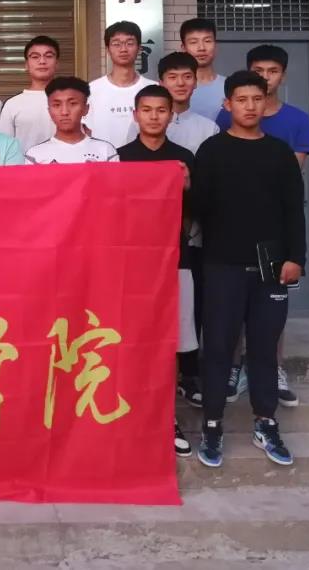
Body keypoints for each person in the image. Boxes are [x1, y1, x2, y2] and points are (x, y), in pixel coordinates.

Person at [191, 70, 306, 470]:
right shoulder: (211, 151)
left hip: (270, 267)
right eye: (241, 100)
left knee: (263, 348)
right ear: (228, 105)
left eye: (257, 99)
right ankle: (212, 425)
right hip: (221, 264)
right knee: (218, 347)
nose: (250, 106)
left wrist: (296, 258)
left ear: (265, 102)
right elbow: (197, 208)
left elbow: (294, 211)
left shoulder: (279, 152)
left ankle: (266, 423)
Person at [215, 44, 309, 408]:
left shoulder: (297, 120)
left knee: (271, 310)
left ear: (283, 76)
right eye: (258, 70)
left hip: (274, 228)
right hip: (233, 230)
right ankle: (234, 368)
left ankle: (274, 370)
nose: (265, 77)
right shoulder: (225, 118)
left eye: (272, 71)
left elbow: (291, 175)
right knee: (232, 309)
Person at [117, 85, 198, 460]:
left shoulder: (183, 159)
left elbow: (203, 211)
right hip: (129, 265)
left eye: (161, 110)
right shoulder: (119, 158)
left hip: (175, 260)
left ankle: (168, 418)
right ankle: (130, 415)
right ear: (135, 114)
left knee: (172, 343)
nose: (153, 116)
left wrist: (187, 187)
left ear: (171, 114)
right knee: (130, 342)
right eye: (146, 110)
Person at [151, 51, 219, 409]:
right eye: (172, 77)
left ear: (196, 80)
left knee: (191, 306)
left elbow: (210, 184)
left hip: (193, 232)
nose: (180, 83)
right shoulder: (146, 124)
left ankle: (190, 374)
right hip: (152, 238)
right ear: (161, 82)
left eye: (186, 76)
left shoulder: (207, 128)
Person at [87, 21, 157, 149]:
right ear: (107, 49)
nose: (123, 49)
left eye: (130, 43)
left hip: (144, 160)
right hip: (104, 160)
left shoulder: (154, 89)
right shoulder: (92, 90)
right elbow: (85, 133)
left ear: (139, 48)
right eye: (116, 44)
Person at [25, 77, 118, 164]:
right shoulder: (35, 155)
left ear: (86, 109)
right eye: (57, 105)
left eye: (73, 104)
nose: (64, 112)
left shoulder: (106, 151)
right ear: (49, 111)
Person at [0, 35, 60, 153]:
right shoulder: (12, 104)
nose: (42, 61)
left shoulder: (70, 101)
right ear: (26, 64)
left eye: (48, 56)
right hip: (23, 165)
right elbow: (4, 149)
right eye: (35, 57)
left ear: (57, 63)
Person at [180, 18, 225, 122]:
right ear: (184, 48)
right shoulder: (175, 88)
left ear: (215, 45)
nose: (201, 48)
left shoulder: (230, 87)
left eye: (207, 41)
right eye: (193, 42)